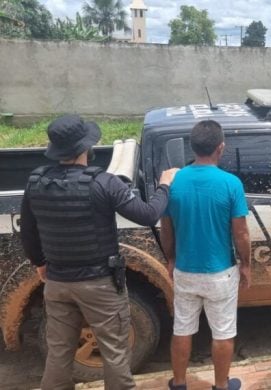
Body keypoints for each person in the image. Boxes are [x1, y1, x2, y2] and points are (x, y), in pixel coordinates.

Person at [20, 114, 178, 390]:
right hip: (99, 285)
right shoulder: (104, 183)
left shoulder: (36, 183)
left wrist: (40, 264)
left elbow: (29, 231)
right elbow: (148, 213)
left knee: (58, 354)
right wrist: (165, 184)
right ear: (85, 148)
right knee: (115, 353)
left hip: (57, 283)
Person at [160, 120, 251, 390]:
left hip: (185, 271)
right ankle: (221, 385)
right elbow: (241, 233)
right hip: (220, 272)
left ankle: (178, 383)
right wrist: (245, 264)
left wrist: (171, 258)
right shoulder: (231, 184)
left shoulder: (174, 182)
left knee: (182, 329)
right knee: (223, 333)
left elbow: (166, 228)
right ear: (220, 148)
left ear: (193, 146)